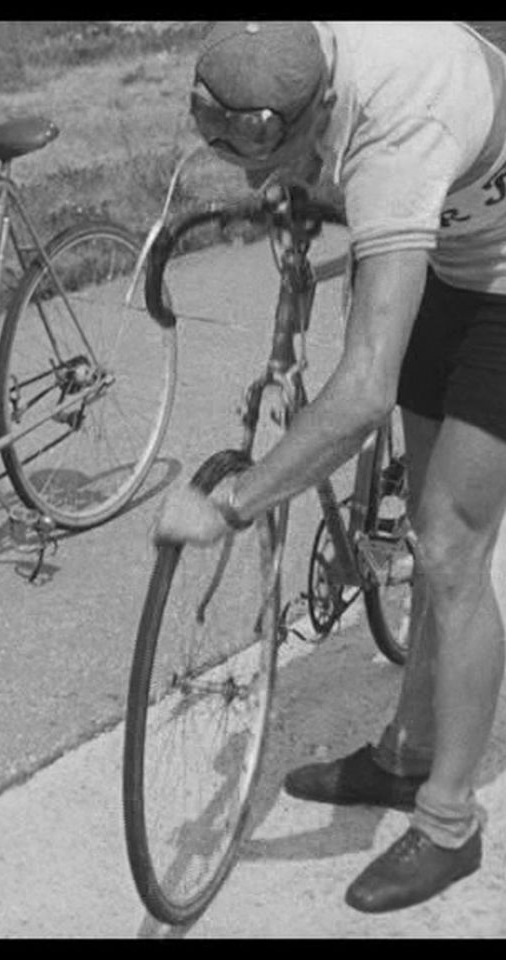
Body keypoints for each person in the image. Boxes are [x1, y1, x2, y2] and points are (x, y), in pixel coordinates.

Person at [155, 21, 506, 913]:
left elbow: (360, 398)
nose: (249, 174)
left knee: (452, 550)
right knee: (427, 536)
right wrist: (294, 189)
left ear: (316, 108)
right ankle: (406, 754)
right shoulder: (301, 46)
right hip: (449, 253)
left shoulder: (397, 134)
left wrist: (233, 501)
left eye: (267, 154)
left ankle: (449, 822)